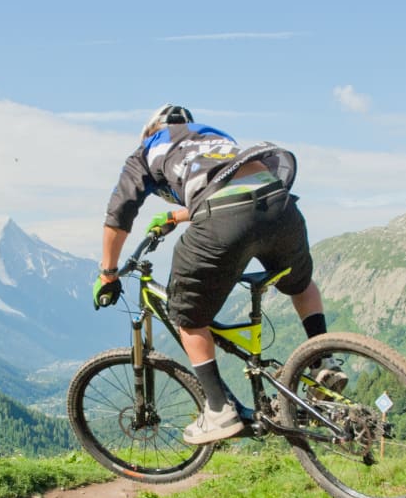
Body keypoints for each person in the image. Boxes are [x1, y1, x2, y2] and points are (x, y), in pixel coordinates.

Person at [93, 104, 345, 445]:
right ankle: (322, 362)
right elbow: (228, 181)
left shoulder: (146, 150)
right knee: (299, 283)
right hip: (279, 203)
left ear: (149, 132)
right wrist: (176, 217)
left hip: (225, 219)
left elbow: (119, 212)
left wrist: (108, 272)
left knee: (186, 315)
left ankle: (218, 410)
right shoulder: (212, 135)